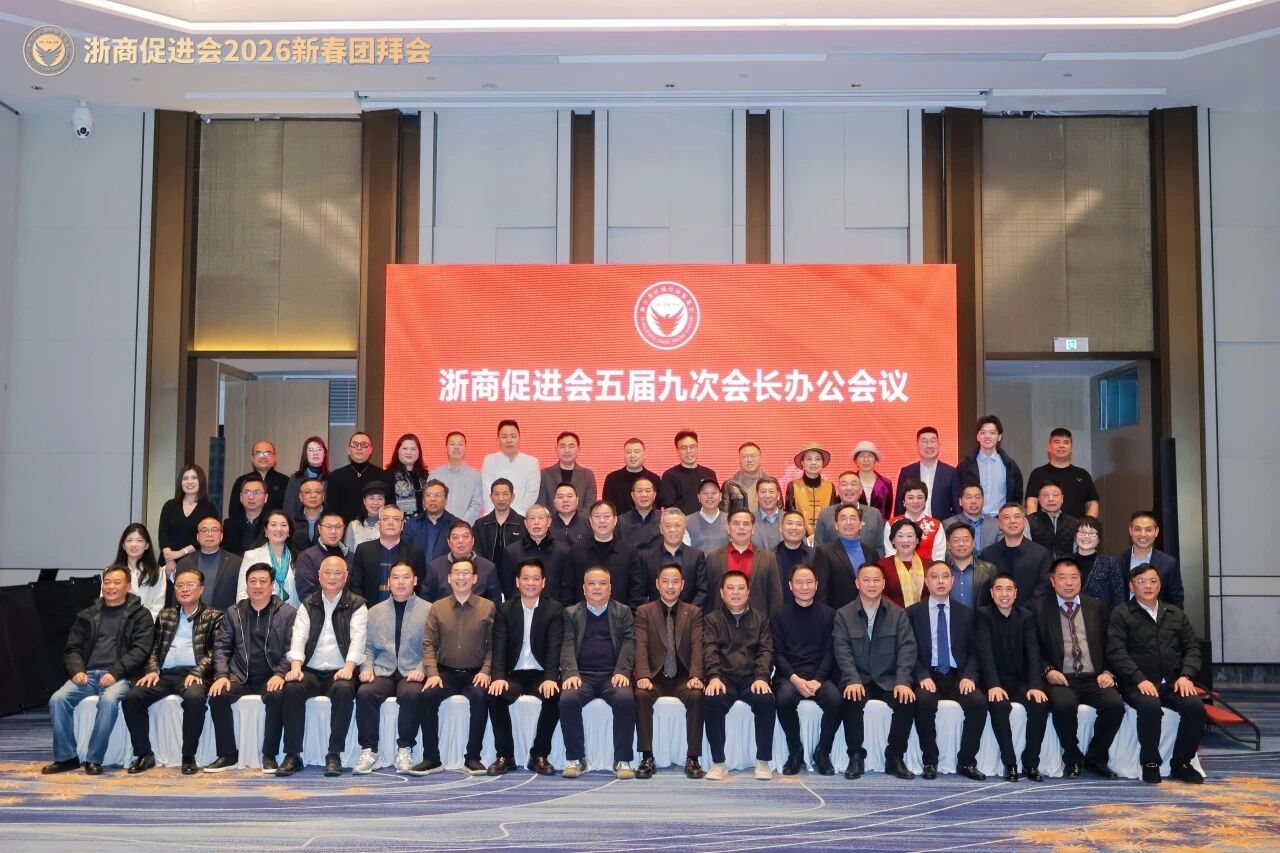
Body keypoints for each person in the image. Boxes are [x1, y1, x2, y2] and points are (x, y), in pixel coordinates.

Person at [42, 566, 155, 776]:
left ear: (128, 586)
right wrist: (77, 670)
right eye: (107, 582)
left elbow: (140, 650)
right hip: (87, 675)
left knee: (109, 700)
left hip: (119, 676)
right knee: (58, 699)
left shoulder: (140, 615)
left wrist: (115, 672)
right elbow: (72, 648)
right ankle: (66, 757)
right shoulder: (87, 615)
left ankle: (94, 758)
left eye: (117, 582)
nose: (111, 586)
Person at [1107, 564, 1207, 784]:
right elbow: (1116, 651)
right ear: (1131, 586)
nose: (1148, 586)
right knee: (1150, 707)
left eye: (1153, 581)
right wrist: (1139, 678)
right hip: (1136, 683)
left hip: (1172, 683)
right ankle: (1150, 763)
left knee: (1195, 707)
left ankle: (1182, 763)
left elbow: (1192, 647)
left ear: (1160, 585)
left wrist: (1186, 675)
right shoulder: (1121, 613)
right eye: (1141, 581)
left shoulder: (1175, 614)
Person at [122, 566, 222, 775]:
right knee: (132, 697)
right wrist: (152, 669)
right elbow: (154, 647)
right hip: (165, 674)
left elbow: (216, 650)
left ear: (201, 589)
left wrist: (198, 672)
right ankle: (144, 754)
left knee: (194, 698)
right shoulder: (165, 615)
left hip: (194, 674)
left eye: (190, 585)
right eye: (179, 585)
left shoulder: (215, 616)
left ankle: (188, 756)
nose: (184, 589)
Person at [1036, 558, 1125, 779]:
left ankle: (1096, 757)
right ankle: (1073, 758)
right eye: (1062, 577)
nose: (1069, 583)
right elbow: (1031, 648)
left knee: (1115, 706)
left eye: (1074, 577)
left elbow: (1112, 644)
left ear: (1080, 580)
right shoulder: (1038, 608)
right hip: (1061, 678)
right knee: (1064, 706)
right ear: (1052, 581)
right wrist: (1047, 670)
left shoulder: (1097, 607)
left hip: (1094, 677)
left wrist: (1108, 671)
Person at [203, 563, 296, 773]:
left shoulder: (288, 613)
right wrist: (221, 674)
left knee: (278, 696)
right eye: (252, 581)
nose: (257, 586)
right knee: (217, 694)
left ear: (272, 586)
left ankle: (269, 755)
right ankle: (227, 754)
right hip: (240, 676)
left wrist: (280, 674)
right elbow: (221, 647)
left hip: (271, 676)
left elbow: (292, 649)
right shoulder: (234, 612)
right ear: (246, 585)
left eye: (263, 581)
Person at [281, 556, 367, 777]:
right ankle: (293, 754)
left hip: (341, 669)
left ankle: (334, 754)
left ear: (345, 576)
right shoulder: (307, 603)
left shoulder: (357, 604)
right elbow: (298, 637)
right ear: (319, 575)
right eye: (327, 572)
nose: (332, 577)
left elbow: (358, 639)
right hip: (311, 669)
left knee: (344, 690)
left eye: (337, 573)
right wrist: (296, 667)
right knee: (292, 689)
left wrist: (349, 668)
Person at [832, 562, 917, 780]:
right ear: (857, 583)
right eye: (866, 580)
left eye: (876, 580)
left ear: (884, 584)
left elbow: (907, 649)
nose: (871, 584)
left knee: (907, 700)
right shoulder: (843, 614)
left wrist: (902, 681)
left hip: (888, 679)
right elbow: (842, 650)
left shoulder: (898, 614)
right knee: (851, 698)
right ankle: (855, 756)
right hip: (858, 678)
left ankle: (895, 757)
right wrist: (852, 679)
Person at [907, 562, 988, 780]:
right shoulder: (913, 613)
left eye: (945, 576)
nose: (940, 581)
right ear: (926, 582)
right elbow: (908, 650)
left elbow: (975, 651)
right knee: (922, 702)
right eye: (935, 577)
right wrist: (921, 675)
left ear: (952, 581)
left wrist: (969, 676)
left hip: (957, 675)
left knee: (978, 703)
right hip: (928, 674)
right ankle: (930, 761)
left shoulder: (967, 614)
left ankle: (967, 761)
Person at [413, 559, 495, 776]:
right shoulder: (437, 608)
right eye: (456, 573)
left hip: (475, 673)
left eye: (466, 573)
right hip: (445, 672)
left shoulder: (488, 607)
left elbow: (494, 646)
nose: (461, 577)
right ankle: (431, 758)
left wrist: (486, 671)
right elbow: (429, 644)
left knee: (481, 697)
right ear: (449, 578)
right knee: (427, 696)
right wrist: (432, 673)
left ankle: (473, 757)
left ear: (475, 578)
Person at [487, 558, 564, 776]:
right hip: (513, 674)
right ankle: (505, 756)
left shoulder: (554, 609)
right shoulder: (505, 609)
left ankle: (539, 755)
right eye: (526, 578)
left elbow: (554, 647)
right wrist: (498, 676)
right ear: (517, 582)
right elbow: (499, 646)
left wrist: (551, 677)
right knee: (495, 694)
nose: (531, 583)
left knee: (555, 695)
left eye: (536, 579)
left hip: (541, 674)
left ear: (543, 582)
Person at [559, 567, 637, 779]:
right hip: (581, 676)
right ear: (583, 588)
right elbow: (567, 643)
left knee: (625, 700)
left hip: (612, 676)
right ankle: (576, 758)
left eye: (602, 583)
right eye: (591, 583)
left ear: (610, 588)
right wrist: (570, 673)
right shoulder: (571, 613)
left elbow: (629, 643)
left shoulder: (623, 611)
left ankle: (622, 759)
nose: (597, 588)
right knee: (567, 700)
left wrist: (622, 671)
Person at [354, 562, 429, 775]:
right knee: (365, 692)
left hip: (412, 670)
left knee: (412, 694)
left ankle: (404, 749)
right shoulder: (374, 611)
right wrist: (367, 668)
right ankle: (370, 750)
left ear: (415, 581)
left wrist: (422, 668)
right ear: (388, 582)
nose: (401, 582)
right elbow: (368, 647)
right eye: (395, 577)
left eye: (406, 577)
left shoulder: (429, 610)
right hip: (383, 669)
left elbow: (433, 645)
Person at [633, 565, 706, 780]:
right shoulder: (644, 611)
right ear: (657, 584)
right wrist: (643, 675)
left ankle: (693, 758)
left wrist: (695, 675)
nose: (670, 586)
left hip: (683, 677)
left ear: (683, 585)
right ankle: (647, 756)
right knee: (641, 695)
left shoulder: (693, 612)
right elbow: (640, 645)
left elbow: (697, 646)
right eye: (665, 581)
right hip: (655, 677)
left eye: (675, 582)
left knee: (696, 695)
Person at [701, 570, 775, 781]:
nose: (736, 592)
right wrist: (714, 676)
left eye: (740, 588)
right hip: (724, 678)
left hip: (752, 679)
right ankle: (718, 762)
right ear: (722, 593)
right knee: (712, 700)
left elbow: (766, 651)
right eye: (730, 588)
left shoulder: (761, 619)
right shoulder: (712, 619)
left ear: (748, 592)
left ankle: (763, 761)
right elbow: (709, 649)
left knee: (766, 700)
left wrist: (762, 677)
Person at [977, 572, 1051, 782]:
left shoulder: (1026, 616)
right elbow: (984, 654)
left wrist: (1035, 685)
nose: (1004, 594)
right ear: (992, 593)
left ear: (1016, 593)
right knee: (1000, 706)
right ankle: (1009, 763)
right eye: (999, 589)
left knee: (1040, 704)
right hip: (993, 680)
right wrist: (993, 684)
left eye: (1009, 589)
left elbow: (1033, 653)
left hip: (1020, 680)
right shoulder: (983, 615)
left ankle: (1031, 763)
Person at [772, 566, 840, 776]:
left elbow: (831, 652)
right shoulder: (779, 615)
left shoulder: (829, 614)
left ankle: (823, 752)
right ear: (790, 586)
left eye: (809, 582)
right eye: (799, 582)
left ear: (816, 585)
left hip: (819, 676)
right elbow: (778, 654)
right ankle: (795, 751)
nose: (804, 587)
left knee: (836, 700)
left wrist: (818, 680)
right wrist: (795, 679)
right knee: (783, 699)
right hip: (789, 676)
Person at [704, 509, 784, 618]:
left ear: (753, 529)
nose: (741, 527)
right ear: (728, 528)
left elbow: (775, 598)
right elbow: (709, 597)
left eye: (746, 524)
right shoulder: (714, 557)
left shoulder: (768, 558)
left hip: (758, 624)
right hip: (721, 623)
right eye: (736, 523)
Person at [565, 501, 639, 606]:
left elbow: (636, 590)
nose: (602, 521)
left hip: (620, 615)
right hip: (583, 614)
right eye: (597, 516)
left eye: (607, 516)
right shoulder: (577, 551)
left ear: (615, 520)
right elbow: (567, 588)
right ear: (590, 521)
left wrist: (629, 614)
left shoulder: (629, 552)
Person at [350, 505, 427, 606]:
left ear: (402, 526)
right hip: (369, 610)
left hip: (405, 610)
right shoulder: (363, 550)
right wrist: (361, 609)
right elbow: (355, 586)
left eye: (396, 519)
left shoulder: (415, 552)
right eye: (386, 519)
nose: (391, 523)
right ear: (379, 524)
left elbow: (420, 587)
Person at [814, 503, 884, 611]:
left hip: (868, 612)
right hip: (837, 614)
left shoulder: (871, 553)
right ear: (836, 525)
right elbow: (821, 592)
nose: (848, 522)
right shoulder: (824, 552)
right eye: (843, 519)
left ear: (860, 524)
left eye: (853, 518)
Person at [634, 508, 709, 609]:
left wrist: (688, 613)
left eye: (677, 525)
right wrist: (654, 613)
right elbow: (638, 592)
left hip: (689, 615)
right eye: (668, 526)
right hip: (654, 616)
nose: (673, 530)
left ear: (684, 528)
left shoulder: (697, 556)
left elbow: (703, 590)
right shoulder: (646, 557)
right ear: (661, 529)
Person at [980, 502, 1053, 606]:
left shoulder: (1041, 554)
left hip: (1032, 614)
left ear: (1024, 522)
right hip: (995, 614)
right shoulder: (988, 554)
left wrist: (1024, 612)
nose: (1012, 521)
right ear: (999, 524)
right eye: (1006, 517)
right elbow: (984, 592)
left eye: (1017, 516)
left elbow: (1043, 589)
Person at [157, 464, 218, 577]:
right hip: (167, 563)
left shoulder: (209, 508)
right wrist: (170, 559)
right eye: (185, 478)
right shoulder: (170, 505)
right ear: (180, 482)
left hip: (196, 562)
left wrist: (180, 553)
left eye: (194, 478)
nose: (189, 482)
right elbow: (163, 534)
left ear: (201, 481)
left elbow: (206, 537)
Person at [1025, 428, 1100, 519]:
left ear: (1071, 448)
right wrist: (1035, 524)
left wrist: (1087, 524)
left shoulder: (1083, 475)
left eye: (1066, 442)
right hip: (1044, 527)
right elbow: (1031, 503)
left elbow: (1093, 503)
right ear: (1049, 447)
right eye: (1057, 442)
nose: (1061, 445)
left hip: (1077, 527)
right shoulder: (1038, 474)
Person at [505, 504, 573, 604]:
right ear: (526, 523)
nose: (536, 522)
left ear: (549, 522)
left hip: (554, 610)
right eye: (532, 518)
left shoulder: (563, 552)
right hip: (520, 608)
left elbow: (567, 587)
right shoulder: (511, 551)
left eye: (541, 518)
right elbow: (507, 587)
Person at [958, 415, 1024, 517]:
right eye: (983, 432)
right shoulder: (965, 466)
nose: (987, 436)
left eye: (992, 433)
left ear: (999, 437)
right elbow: (957, 495)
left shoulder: (1010, 466)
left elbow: (1017, 497)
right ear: (977, 436)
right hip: (973, 519)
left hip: (1001, 520)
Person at [422, 520, 501, 603]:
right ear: (448, 542)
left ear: (473, 541)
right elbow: (426, 600)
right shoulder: (435, 567)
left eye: (465, 537)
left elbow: (494, 603)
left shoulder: (488, 567)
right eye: (455, 537)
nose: (460, 541)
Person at [895, 427, 961, 520]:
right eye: (924, 441)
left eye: (932, 441)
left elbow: (957, 508)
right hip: (911, 526)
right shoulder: (906, 472)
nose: (929, 445)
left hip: (942, 526)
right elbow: (899, 506)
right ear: (917, 446)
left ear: (939, 445)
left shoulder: (951, 473)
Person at [176, 517, 241, 610]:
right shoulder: (184, 563)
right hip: (191, 617)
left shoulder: (236, 562)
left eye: (214, 530)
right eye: (204, 530)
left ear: (221, 536)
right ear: (197, 537)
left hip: (225, 616)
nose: (209, 534)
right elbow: (177, 596)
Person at [1123, 511, 1184, 607]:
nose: (1143, 534)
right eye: (1138, 529)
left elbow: (1176, 602)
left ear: (1156, 532)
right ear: (1130, 531)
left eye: (1148, 530)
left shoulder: (1169, 564)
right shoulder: (1117, 562)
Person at [327, 432, 391, 523]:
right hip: (343, 527)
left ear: (370, 450)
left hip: (376, 528)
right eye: (355, 444)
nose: (359, 448)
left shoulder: (383, 475)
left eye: (364, 444)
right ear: (348, 450)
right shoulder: (336, 476)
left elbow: (388, 507)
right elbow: (331, 509)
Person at [475, 478, 525, 594]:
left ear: (512, 497)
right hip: (486, 580)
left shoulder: (523, 524)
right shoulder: (480, 525)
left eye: (505, 494)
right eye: (496, 494)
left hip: (516, 581)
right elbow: (476, 552)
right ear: (491, 497)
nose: (501, 499)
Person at [481, 419, 540, 515]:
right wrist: (496, 515)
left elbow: (531, 494)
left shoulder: (531, 462)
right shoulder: (490, 460)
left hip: (521, 517)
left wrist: (515, 516)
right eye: (504, 437)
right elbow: (488, 492)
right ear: (498, 439)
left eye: (513, 436)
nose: (509, 440)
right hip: (494, 517)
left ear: (519, 438)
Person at [239, 510, 298, 604]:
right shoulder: (251, 556)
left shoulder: (298, 558)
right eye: (273, 525)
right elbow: (242, 594)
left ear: (289, 532)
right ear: (266, 530)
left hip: (291, 611)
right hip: (260, 611)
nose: (279, 529)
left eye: (283, 525)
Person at [815, 472, 885, 552]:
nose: (849, 488)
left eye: (853, 484)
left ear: (861, 490)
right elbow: (818, 547)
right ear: (838, 490)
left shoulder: (874, 514)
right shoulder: (825, 514)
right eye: (844, 484)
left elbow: (880, 548)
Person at [882, 479, 946, 563]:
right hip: (898, 569)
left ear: (925, 500)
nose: (915, 501)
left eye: (920, 497)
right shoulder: (891, 524)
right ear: (903, 501)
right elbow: (891, 555)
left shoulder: (936, 525)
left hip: (929, 570)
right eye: (910, 498)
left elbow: (939, 558)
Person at [294, 510, 349, 602]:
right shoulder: (307, 557)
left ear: (344, 529)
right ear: (319, 528)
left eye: (338, 527)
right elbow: (306, 594)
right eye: (328, 526)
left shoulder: (350, 556)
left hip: (349, 609)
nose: (333, 531)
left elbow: (355, 589)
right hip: (316, 609)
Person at [115, 523, 167, 620]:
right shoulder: (112, 572)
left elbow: (157, 606)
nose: (134, 544)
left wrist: (143, 625)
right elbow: (105, 601)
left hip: (146, 625)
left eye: (139, 540)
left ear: (147, 545)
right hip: (117, 625)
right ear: (123, 545)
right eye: (129, 540)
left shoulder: (157, 572)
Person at [784, 442, 837, 538]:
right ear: (802, 463)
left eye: (818, 459)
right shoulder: (793, 486)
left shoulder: (830, 486)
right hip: (799, 537)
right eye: (809, 459)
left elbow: (832, 516)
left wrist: (819, 536)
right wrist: (806, 538)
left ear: (822, 463)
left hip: (825, 538)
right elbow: (790, 515)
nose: (813, 462)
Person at [1074, 516, 1128, 607]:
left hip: (1102, 615)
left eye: (1092, 533)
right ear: (1075, 536)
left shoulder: (1111, 563)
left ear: (1099, 539)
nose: (1086, 536)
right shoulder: (1064, 561)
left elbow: (1118, 598)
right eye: (1082, 532)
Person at [659, 430, 717, 515]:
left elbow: (715, 501)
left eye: (692, 447)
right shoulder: (670, 476)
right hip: (681, 522)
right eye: (684, 448)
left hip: (707, 521)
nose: (689, 451)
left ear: (697, 448)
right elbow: (669, 507)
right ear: (677, 450)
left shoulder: (709, 474)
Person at [228, 441, 289, 520]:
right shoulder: (241, 481)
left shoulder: (285, 481)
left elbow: (289, 512)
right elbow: (233, 512)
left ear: (275, 457)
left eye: (267, 453)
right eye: (258, 453)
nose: (263, 457)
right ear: (252, 458)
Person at [537, 431, 598, 509]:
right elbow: (541, 505)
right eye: (562, 446)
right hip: (551, 517)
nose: (567, 450)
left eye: (571, 446)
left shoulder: (587, 475)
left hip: (581, 517)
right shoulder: (544, 474)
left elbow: (590, 505)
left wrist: (578, 517)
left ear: (579, 449)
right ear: (556, 449)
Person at [944, 522, 998, 608]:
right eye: (956, 540)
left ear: (973, 543)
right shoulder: (942, 570)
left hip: (980, 616)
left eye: (965, 540)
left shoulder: (989, 570)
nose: (961, 544)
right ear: (948, 545)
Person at [435, 431, 484, 524]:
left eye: (460, 444)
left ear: (465, 448)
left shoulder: (475, 476)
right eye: (452, 444)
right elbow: (429, 502)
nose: (456, 447)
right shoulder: (435, 474)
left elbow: (476, 505)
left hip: (465, 528)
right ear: (446, 448)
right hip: (439, 527)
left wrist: (460, 525)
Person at [602, 437, 661, 515]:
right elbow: (608, 508)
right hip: (620, 522)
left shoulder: (654, 479)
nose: (632, 455)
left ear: (645, 455)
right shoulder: (612, 479)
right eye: (628, 452)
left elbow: (657, 507)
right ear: (623, 455)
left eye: (637, 452)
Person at [402, 479, 457, 563]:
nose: (433, 499)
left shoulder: (455, 525)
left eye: (437, 495)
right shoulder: (411, 524)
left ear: (446, 500)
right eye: (428, 495)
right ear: (423, 501)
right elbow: (403, 553)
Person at [877, 518, 923, 608]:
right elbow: (880, 595)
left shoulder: (929, 565)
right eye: (900, 536)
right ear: (893, 540)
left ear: (917, 540)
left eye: (910, 536)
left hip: (923, 615)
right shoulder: (882, 566)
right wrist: (900, 613)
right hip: (892, 614)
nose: (905, 540)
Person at [1026, 481, 1078, 559]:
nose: (1051, 499)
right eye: (1045, 495)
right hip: (1039, 565)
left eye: (1055, 495)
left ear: (1062, 498)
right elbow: (1026, 552)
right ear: (1039, 499)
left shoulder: (1074, 522)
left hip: (1066, 565)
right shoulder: (1028, 522)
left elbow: (1077, 551)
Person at [282, 436, 329, 520]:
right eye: (311, 450)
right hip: (299, 526)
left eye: (319, 449)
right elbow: (288, 510)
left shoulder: (332, 478)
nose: (315, 453)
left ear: (324, 453)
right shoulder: (295, 479)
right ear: (305, 454)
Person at [942, 483, 998, 552]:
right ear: (960, 501)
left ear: (983, 501)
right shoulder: (948, 523)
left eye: (977, 497)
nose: (973, 501)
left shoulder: (996, 524)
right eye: (969, 497)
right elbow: (947, 552)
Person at [775, 511, 815, 602]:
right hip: (778, 609)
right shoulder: (770, 556)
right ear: (780, 528)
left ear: (804, 530)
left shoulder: (816, 556)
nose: (794, 527)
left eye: (799, 524)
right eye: (789, 523)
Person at [223, 474, 268, 556]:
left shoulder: (272, 524)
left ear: (266, 497)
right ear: (241, 497)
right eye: (247, 492)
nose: (251, 497)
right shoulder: (229, 524)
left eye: (256, 492)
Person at [387, 433, 429, 519]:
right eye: (405, 448)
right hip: (397, 524)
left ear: (419, 452)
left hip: (424, 524)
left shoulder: (425, 476)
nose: (409, 452)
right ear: (397, 451)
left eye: (413, 449)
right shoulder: (388, 475)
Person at [851, 440, 893, 520]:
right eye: (861, 456)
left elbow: (888, 511)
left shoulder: (886, 483)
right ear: (856, 460)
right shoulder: (849, 482)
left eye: (870, 456)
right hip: (853, 525)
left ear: (875, 459)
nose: (866, 459)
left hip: (879, 526)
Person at [618, 475, 661, 553]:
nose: (644, 494)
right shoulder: (620, 521)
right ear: (632, 495)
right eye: (639, 491)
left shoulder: (664, 519)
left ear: (654, 495)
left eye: (648, 491)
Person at [686, 479, 729, 553]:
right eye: (705, 493)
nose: (710, 496)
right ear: (699, 497)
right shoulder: (687, 522)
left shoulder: (731, 520)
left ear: (720, 496)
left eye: (714, 493)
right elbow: (685, 552)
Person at [725, 441, 768, 514]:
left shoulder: (771, 483)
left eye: (753, 456)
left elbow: (779, 512)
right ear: (739, 459)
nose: (749, 460)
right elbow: (724, 514)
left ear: (761, 458)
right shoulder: (729, 485)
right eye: (745, 457)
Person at [344, 480, 388, 551]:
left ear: (385, 501)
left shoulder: (390, 524)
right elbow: (349, 553)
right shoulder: (354, 525)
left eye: (380, 498)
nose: (376, 503)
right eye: (371, 498)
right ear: (364, 501)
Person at [289, 478, 326, 551]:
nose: (313, 496)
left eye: (317, 492)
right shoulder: (291, 520)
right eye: (307, 492)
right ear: (300, 497)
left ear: (323, 496)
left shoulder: (333, 519)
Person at [752, 476, 784, 550]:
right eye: (763, 492)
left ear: (778, 496)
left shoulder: (789, 519)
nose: (767, 496)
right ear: (756, 496)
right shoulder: (749, 521)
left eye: (771, 491)